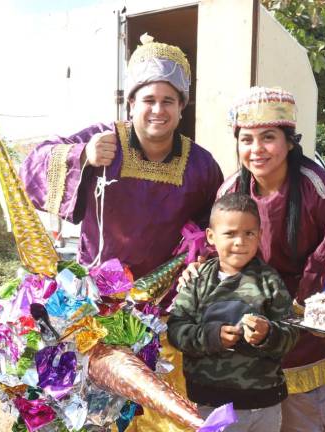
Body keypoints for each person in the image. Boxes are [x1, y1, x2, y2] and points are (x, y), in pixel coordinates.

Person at [19, 35, 223, 432]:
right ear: (131, 104)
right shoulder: (103, 139)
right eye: (148, 100)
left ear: (182, 108)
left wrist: (198, 245)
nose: (157, 110)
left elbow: (214, 227)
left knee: (159, 406)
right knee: (101, 410)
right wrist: (82, 156)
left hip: (163, 310)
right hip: (97, 308)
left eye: (168, 101)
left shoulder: (201, 165)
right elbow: (31, 167)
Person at [218, 87, 325, 432]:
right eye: (246, 140)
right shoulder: (230, 192)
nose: (256, 150)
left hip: (302, 323)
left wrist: (295, 311)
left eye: (268, 137)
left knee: (301, 417)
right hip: (248, 324)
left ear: (289, 141)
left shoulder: (318, 189)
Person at [168, 192, 299, 432]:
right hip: (212, 403)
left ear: (259, 236)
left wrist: (267, 334)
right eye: (229, 233)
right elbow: (176, 330)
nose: (240, 242)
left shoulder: (269, 280)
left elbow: (291, 331)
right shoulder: (198, 280)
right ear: (211, 236)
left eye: (249, 233)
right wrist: (211, 336)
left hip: (264, 402)